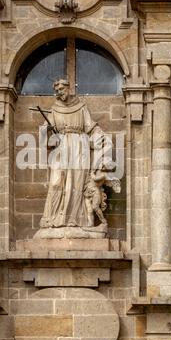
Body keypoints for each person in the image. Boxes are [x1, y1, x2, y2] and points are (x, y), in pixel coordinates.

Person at [35, 79, 110, 238]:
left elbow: (91, 127)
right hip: (61, 150)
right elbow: (45, 133)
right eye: (57, 90)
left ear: (69, 88)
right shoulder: (54, 109)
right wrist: (46, 129)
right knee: (56, 183)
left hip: (79, 148)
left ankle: (75, 220)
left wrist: (99, 136)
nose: (59, 93)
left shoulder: (81, 107)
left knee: (75, 185)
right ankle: (53, 219)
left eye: (62, 89)